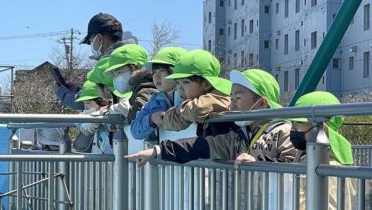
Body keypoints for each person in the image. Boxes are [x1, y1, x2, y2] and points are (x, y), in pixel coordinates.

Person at [126, 68, 298, 166]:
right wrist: (157, 151)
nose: (232, 105)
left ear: (261, 103)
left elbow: (293, 165)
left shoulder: (284, 132)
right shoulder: (237, 136)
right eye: (231, 99)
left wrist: (258, 162)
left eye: (237, 98)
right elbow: (200, 146)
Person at [55, 13, 135, 110]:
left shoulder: (106, 64)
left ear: (99, 39)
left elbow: (85, 101)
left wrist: (61, 93)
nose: (91, 46)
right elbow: (98, 94)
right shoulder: (132, 56)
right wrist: (77, 89)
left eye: (91, 42)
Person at [130, 46, 187, 140]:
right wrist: (151, 119)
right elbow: (134, 131)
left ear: (176, 72)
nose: (156, 76)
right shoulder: (155, 99)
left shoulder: (190, 95)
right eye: (154, 72)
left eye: (161, 71)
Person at [103, 44, 158, 123]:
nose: (115, 79)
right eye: (114, 75)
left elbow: (141, 112)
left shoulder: (146, 87)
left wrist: (125, 118)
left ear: (133, 68)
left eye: (119, 73)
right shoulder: (137, 88)